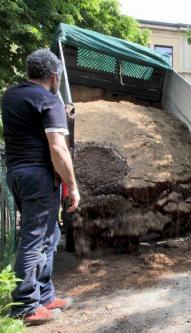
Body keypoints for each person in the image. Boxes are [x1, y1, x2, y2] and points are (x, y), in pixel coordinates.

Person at [1, 49, 80, 324]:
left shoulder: (11, 96)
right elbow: (58, 149)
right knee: (35, 239)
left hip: (17, 174)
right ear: (54, 76)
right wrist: (72, 185)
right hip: (40, 178)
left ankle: (44, 295)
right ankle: (24, 306)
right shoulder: (48, 99)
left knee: (50, 234)